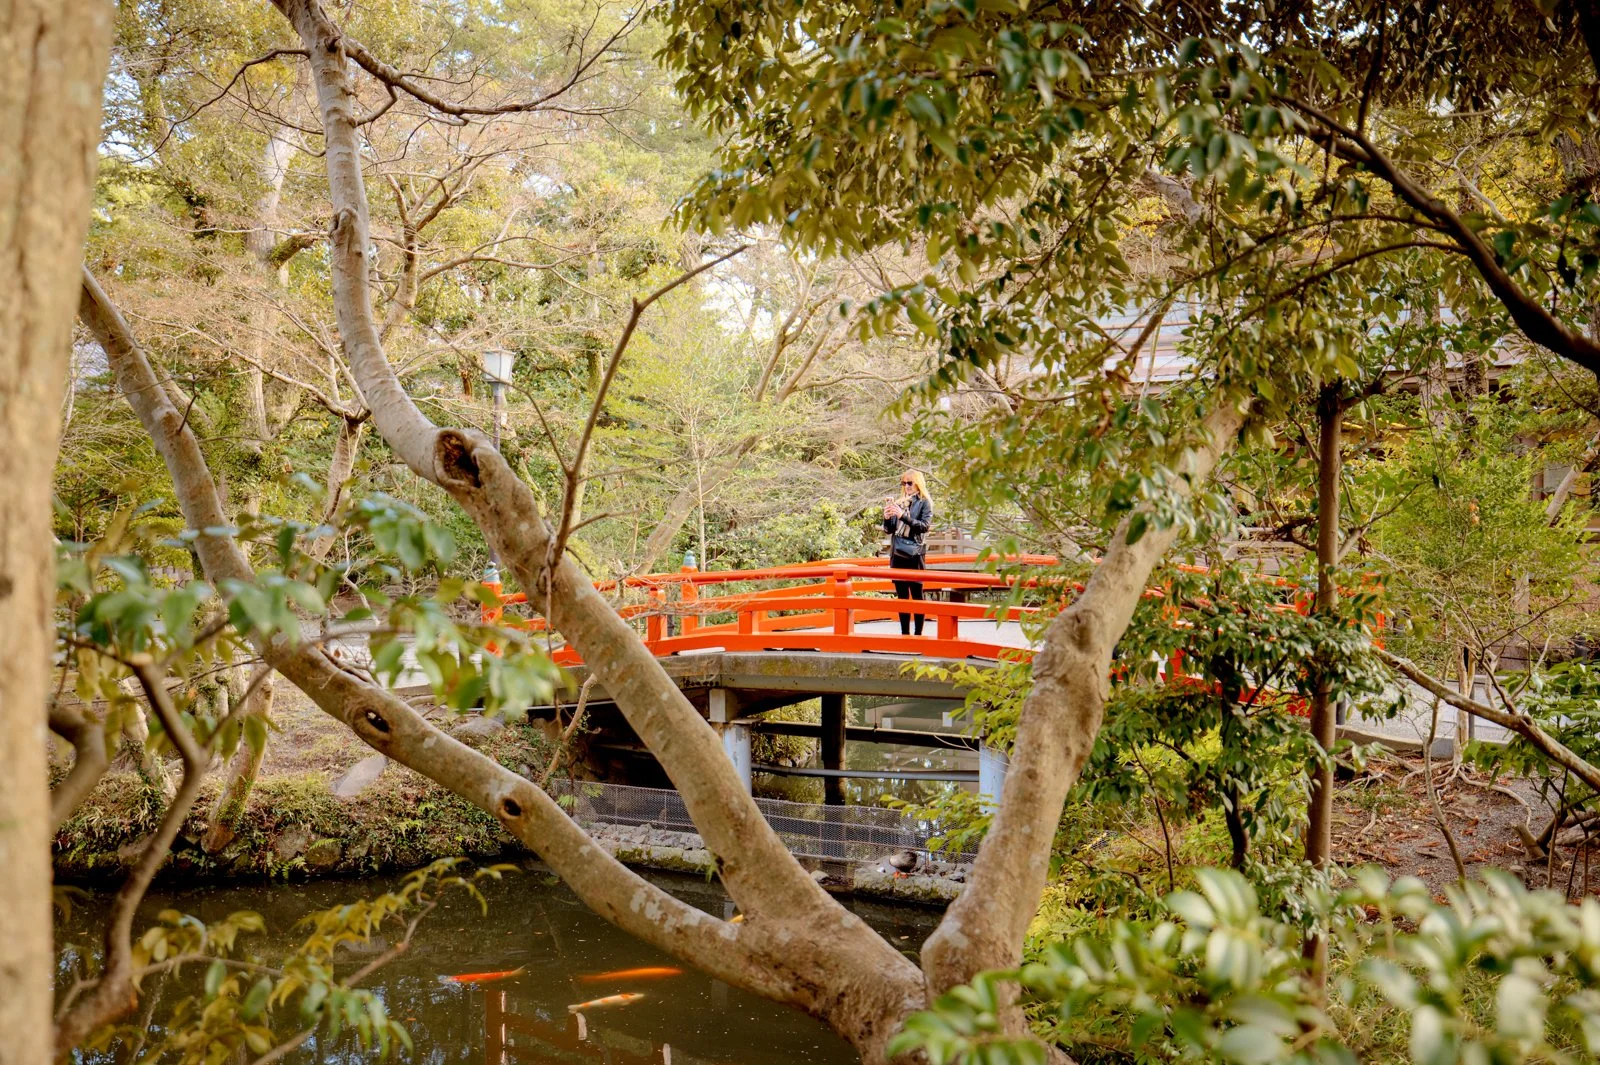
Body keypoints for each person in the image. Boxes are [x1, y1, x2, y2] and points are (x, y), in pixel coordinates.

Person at [883, 469, 933, 636]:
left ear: (918, 483)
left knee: (917, 595)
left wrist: (903, 516)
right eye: (904, 483)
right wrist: (887, 517)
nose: (906, 487)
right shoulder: (899, 502)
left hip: (915, 554)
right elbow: (889, 530)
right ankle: (905, 634)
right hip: (898, 553)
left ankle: (918, 634)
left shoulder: (925, 502)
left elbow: (924, 527)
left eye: (910, 483)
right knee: (902, 596)